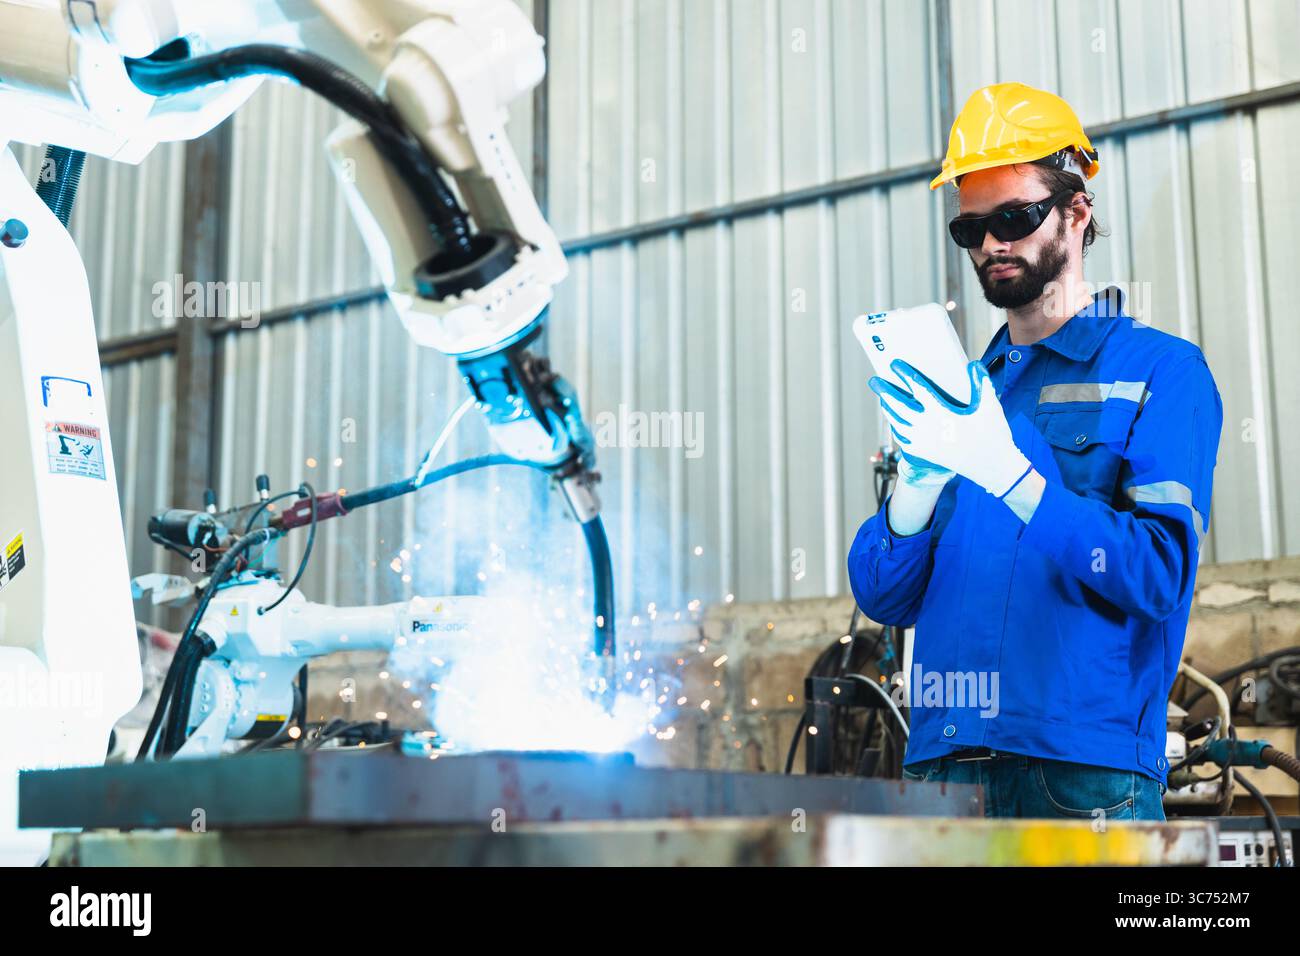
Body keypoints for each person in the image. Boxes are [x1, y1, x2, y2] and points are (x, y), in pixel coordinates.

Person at [847, 82, 1222, 821]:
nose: (992, 243)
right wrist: (914, 494)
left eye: (1015, 218)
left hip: (1080, 776)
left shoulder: (1161, 372)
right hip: (941, 772)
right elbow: (884, 597)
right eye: (971, 228)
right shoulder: (961, 394)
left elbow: (1156, 576)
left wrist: (1021, 484)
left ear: (1077, 212)